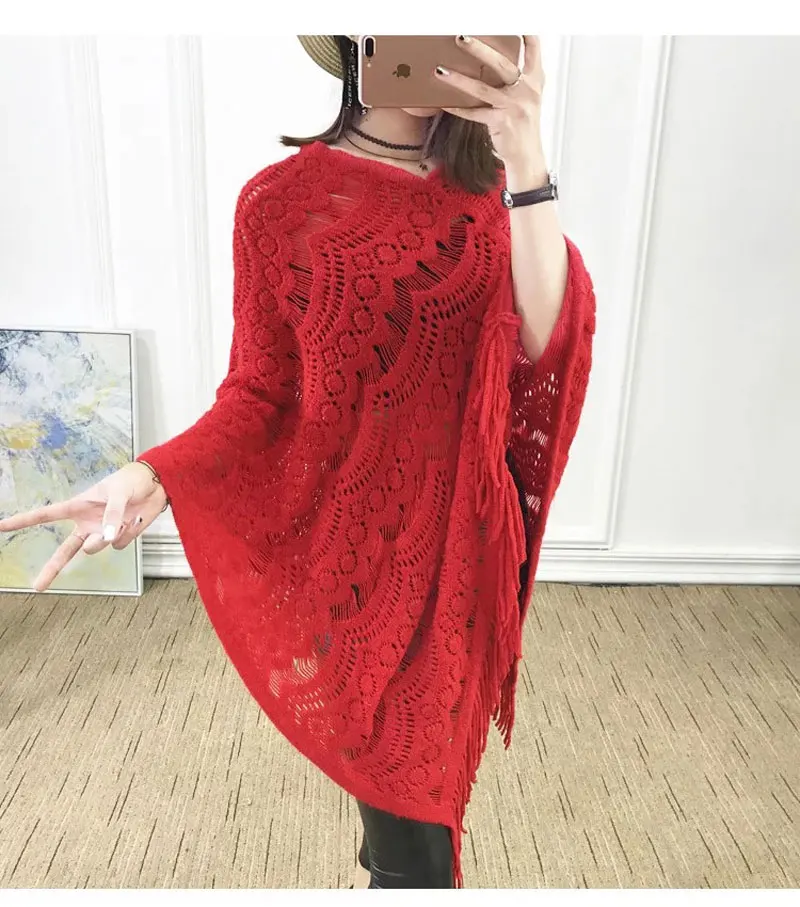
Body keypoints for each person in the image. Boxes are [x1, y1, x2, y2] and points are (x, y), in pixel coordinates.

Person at [0, 36, 596, 888]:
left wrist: (527, 156)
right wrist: (153, 474)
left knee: (419, 814)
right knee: (418, 845)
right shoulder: (281, 206)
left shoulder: (495, 192)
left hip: (462, 566)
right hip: (350, 570)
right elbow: (258, 394)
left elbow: (546, 344)